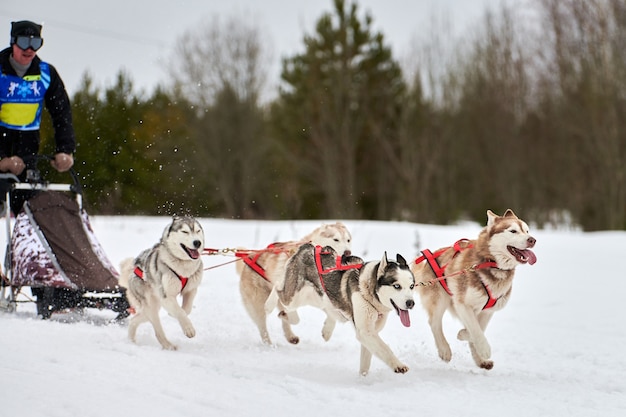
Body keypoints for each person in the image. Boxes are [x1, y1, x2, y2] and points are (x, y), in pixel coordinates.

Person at [0, 20, 76, 212]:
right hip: (2, 145)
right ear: (13, 42)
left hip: (28, 152)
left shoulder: (46, 74)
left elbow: (62, 113)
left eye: (36, 43)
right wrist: (2, 159)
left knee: (32, 209)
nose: (30, 49)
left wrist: (65, 150)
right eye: (25, 42)